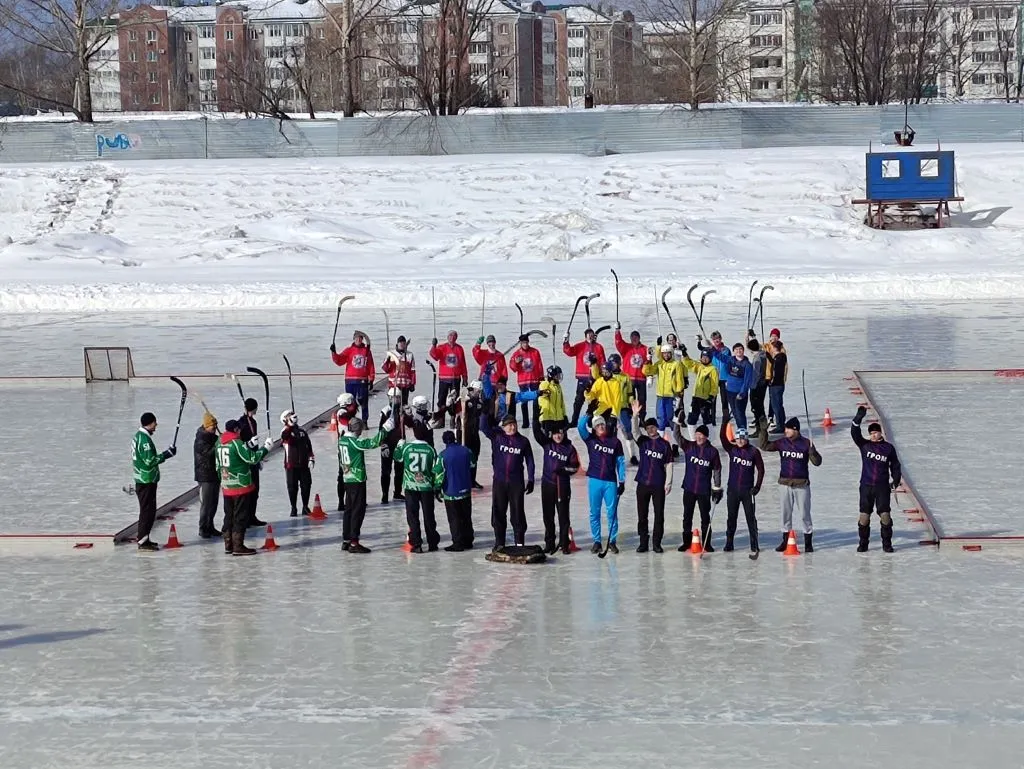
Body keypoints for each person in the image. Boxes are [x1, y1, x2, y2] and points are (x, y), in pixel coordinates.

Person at [759, 417, 822, 552]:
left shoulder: (806, 443)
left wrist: (813, 452)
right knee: (785, 514)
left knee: (805, 514)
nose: (785, 431)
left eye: (788, 429)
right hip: (785, 484)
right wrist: (763, 430)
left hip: (802, 485)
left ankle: (808, 542)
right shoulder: (782, 443)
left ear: (795, 430)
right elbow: (764, 446)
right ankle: (785, 540)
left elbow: (817, 462)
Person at [338, 409, 392, 553]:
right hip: (356, 479)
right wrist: (385, 430)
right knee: (357, 510)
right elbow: (372, 443)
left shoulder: (342, 439)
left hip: (347, 478)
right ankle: (354, 542)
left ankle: (346, 539)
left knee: (349, 510)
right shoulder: (354, 442)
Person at [217, 419, 272, 556]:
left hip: (226, 485)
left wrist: (247, 444)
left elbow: (218, 465)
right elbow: (252, 459)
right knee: (240, 516)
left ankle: (228, 544)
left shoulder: (219, 443)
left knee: (228, 516)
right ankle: (238, 546)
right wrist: (265, 448)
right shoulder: (236, 443)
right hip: (240, 485)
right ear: (236, 430)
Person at [852, 406, 902, 553]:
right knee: (864, 517)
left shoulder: (888, 448)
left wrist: (896, 480)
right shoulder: (865, 445)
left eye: (876, 432)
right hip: (866, 486)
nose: (874, 435)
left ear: (881, 433)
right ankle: (863, 543)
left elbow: (895, 465)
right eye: (871, 433)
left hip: (882, 487)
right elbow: (855, 433)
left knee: (885, 516)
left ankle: (887, 544)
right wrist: (858, 418)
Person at [481, 412, 535, 549]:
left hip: (516, 483)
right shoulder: (497, 437)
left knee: (517, 514)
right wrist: (484, 411)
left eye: (514, 424)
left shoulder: (523, 441)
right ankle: (499, 543)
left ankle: (519, 542)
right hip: (499, 482)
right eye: (509, 425)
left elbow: (530, 461)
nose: (512, 427)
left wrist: (531, 479)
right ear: (504, 427)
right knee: (498, 513)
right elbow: (483, 427)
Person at [577, 405, 626, 553]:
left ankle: (612, 541)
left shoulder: (615, 442)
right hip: (595, 480)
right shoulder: (590, 439)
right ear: (594, 428)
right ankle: (597, 541)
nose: (600, 427)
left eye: (602, 425)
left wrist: (622, 481)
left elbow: (621, 462)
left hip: (610, 481)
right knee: (595, 512)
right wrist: (588, 413)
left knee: (612, 513)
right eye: (597, 425)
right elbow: (580, 427)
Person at [673, 421, 723, 552]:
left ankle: (707, 543)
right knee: (687, 516)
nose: (699, 437)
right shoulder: (689, 446)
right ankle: (686, 542)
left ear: (706, 437)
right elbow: (677, 436)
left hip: (703, 490)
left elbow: (717, 470)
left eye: (701, 435)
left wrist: (717, 487)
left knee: (705, 516)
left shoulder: (712, 452)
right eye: (697, 435)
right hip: (689, 488)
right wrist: (677, 423)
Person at [532, 420, 580, 554]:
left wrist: (563, 470)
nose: (558, 436)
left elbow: (575, 466)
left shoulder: (570, 448)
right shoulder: (547, 444)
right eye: (555, 434)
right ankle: (550, 543)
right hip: (547, 485)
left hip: (562, 486)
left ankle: (565, 543)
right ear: (551, 435)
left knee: (563, 516)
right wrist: (536, 406)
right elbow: (536, 431)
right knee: (548, 516)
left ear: (564, 434)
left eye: (560, 434)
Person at [631, 402, 673, 553]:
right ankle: (643, 542)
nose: (650, 430)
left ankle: (657, 543)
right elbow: (634, 431)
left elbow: (668, 464)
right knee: (642, 515)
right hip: (642, 483)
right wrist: (635, 416)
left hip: (658, 484)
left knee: (659, 515)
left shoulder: (664, 445)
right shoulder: (643, 441)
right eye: (648, 428)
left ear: (657, 428)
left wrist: (668, 483)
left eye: (653, 427)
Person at [132, 411, 177, 551]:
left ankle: (145, 538)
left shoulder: (138, 436)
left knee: (148, 510)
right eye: (154, 422)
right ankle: (142, 541)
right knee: (147, 511)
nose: (156, 425)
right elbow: (149, 461)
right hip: (146, 480)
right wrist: (166, 454)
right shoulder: (144, 440)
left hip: (143, 479)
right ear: (149, 423)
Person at [395, 422, 441, 552]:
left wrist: (399, 446)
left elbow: (397, 458)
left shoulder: (407, 448)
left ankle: (416, 543)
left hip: (411, 487)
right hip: (426, 487)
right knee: (429, 515)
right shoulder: (430, 450)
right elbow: (436, 469)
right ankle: (432, 542)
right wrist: (437, 486)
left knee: (412, 515)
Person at [719, 423, 765, 554]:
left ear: (747, 439)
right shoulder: (732, 449)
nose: (740, 441)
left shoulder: (753, 452)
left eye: (743, 439)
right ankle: (729, 542)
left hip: (747, 491)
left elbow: (761, 470)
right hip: (733, 490)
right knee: (731, 517)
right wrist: (724, 422)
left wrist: (757, 487)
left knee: (750, 518)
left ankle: (754, 543)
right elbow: (722, 438)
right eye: (738, 439)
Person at [435, 379, 485, 489]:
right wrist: (450, 402)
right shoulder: (463, 400)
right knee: (462, 456)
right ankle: (462, 479)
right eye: (476, 391)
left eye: (479, 391)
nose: (478, 393)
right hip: (462, 432)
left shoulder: (480, 402)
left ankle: (472, 480)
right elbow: (453, 411)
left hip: (474, 433)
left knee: (474, 457)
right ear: (471, 389)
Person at [434, 430, 475, 551]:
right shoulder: (466, 450)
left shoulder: (443, 455)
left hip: (451, 492)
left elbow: (439, 474)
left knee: (454, 518)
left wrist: (437, 488)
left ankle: (457, 542)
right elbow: (473, 464)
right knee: (466, 516)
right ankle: (468, 540)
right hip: (465, 490)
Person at [643, 343, 686, 448]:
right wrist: (648, 360)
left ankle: (675, 446)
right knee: (661, 420)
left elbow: (679, 379)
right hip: (660, 396)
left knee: (672, 420)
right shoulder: (659, 364)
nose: (666, 355)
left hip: (671, 396)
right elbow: (647, 371)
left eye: (667, 353)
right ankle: (660, 444)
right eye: (664, 353)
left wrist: (679, 393)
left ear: (671, 353)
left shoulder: (676, 364)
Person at [563, 327, 606, 427]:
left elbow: (603, 361)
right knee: (578, 400)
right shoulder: (580, 346)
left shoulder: (599, 347)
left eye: (592, 335)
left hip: (595, 378)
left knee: (593, 401)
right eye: (588, 335)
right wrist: (566, 341)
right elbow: (569, 351)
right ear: (585, 336)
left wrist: (603, 375)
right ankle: (574, 421)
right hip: (582, 378)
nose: (590, 336)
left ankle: (591, 421)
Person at [330, 331, 375, 421]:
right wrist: (333, 352)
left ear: (362, 339)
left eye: (360, 338)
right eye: (357, 338)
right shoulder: (349, 350)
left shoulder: (367, 351)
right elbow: (339, 361)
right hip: (350, 381)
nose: (358, 339)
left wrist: (371, 379)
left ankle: (365, 421)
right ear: (354, 339)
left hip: (362, 380)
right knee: (349, 402)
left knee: (364, 402)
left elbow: (370, 365)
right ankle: (350, 420)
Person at [236, 398, 267, 528]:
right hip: (245, 461)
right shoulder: (241, 424)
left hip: (254, 460)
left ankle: (252, 516)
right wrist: (248, 444)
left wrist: (258, 458)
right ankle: (245, 518)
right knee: (247, 492)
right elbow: (239, 444)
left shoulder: (253, 422)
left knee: (255, 490)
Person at [280, 409, 314, 517]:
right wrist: (290, 425)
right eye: (290, 416)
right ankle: (293, 508)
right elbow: (285, 437)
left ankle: (305, 506)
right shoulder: (285, 431)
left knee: (306, 485)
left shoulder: (302, 431)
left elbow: (309, 446)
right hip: (291, 465)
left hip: (304, 464)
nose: (293, 416)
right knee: (292, 487)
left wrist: (311, 458)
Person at [712, 342, 754, 431]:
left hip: (740, 393)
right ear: (734, 351)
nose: (738, 351)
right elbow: (720, 356)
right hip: (730, 391)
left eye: (740, 349)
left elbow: (747, 381)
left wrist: (742, 393)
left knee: (740, 413)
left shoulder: (747, 365)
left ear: (743, 351)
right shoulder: (731, 360)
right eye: (736, 350)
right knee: (734, 413)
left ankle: (743, 431)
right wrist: (712, 348)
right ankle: (740, 430)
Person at [680, 348, 719, 438]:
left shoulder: (713, 369)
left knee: (706, 419)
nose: (704, 359)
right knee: (691, 419)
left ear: (710, 358)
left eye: (707, 357)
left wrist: (711, 397)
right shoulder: (699, 366)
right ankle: (693, 440)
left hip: (705, 399)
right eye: (703, 357)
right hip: (696, 397)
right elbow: (689, 364)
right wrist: (684, 354)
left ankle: (711, 438)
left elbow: (714, 385)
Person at [193, 411, 220, 539]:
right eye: (212, 427)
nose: (214, 430)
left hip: (214, 474)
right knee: (206, 503)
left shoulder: (212, 437)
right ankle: (203, 528)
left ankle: (210, 525)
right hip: (205, 476)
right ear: (206, 426)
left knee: (214, 502)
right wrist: (219, 443)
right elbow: (209, 453)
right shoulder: (201, 439)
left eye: (215, 427)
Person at [429, 330, 468, 417]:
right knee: (441, 399)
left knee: (455, 400)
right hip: (444, 378)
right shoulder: (442, 347)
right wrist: (434, 346)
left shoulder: (459, 348)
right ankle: (440, 418)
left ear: (456, 338)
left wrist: (465, 377)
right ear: (447, 337)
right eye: (450, 335)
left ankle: (453, 418)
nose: (452, 337)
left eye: (454, 336)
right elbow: (434, 356)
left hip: (456, 378)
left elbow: (463, 364)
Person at [614, 327, 649, 421]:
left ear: (639, 338)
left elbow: (649, 365)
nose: (634, 339)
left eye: (636, 337)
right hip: (629, 379)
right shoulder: (626, 348)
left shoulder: (645, 349)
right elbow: (619, 342)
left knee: (642, 400)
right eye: (632, 338)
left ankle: (642, 418)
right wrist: (617, 331)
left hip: (641, 379)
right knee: (630, 399)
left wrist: (650, 377)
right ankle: (630, 417)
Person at [508, 334, 544, 428]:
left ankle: (536, 420)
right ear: (520, 343)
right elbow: (512, 368)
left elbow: (540, 365)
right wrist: (516, 362)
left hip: (534, 379)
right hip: (523, 381)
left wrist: (541, 378)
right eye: (523, 343)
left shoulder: (535, 352)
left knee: (536, 400)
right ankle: (525, 422)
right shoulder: (516, 354)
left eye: (526, 342)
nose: (525, 344)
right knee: (524, 401)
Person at [520, 365, 567, 434]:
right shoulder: (544, 384)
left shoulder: (558, 387)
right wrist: (547, 384)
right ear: (552, 376)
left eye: (560, 375)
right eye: (557, 376)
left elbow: (562, 403)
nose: (559, 377)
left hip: (558, 418)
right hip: (547, 418)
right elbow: (543, 393)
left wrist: (564, 415)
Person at [698, 331, 730, 422]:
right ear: (712, 340)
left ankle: (726, 417)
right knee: (713, 399)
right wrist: (699, 341)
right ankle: (712, 418)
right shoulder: (709, 349)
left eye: (718, 339)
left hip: (724, 378)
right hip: (713, 377)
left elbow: (725, 360)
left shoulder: (726, 350)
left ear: (721, 339)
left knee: (724, 399)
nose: (717, 340)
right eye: (714, 339)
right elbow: (701, 348)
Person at [380, 392, 406, 504]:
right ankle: (384, 495)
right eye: (394, 398)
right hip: (388, 444)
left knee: (399, 470)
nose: (396, 400)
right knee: (386, 471)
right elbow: (381, 430)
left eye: (398, 398)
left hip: (399, 444)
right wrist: (383, 444)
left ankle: (397, 493)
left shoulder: (402, 410)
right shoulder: (386, 411)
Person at [335, 392, 359, 511]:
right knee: (343, 474)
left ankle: (354, 499)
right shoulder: (341, 412)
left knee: (353, 473)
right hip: (344, 447)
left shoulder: (347, 412)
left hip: (351, 445)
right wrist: (353, 411)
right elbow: (346, 420)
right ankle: (342, 501)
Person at [381, 335, 416, 407]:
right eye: (400, 343)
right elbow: (385, 369)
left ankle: (403, 417)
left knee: (404, 405)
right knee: (394, 405)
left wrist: (412, 383)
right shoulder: (391, 354)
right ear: (397, 344)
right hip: (394, 384)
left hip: (405, 385)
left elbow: (412, 370)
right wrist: (387, 360)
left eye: (404, 343)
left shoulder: (410, 355)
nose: (402, 345)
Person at [765, 331, 788, 432]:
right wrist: (768, 355)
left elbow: (775, 371)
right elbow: (773, 361)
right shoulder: (780, 357)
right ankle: (781, 423)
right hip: (779, 384)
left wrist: (771, 382)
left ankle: (780, 426)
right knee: (778, 404)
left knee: (776, 405)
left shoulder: (779, 358)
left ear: (775, 348)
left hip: (776, 385)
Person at [746, 336, 768, 435]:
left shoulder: (757, 359)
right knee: (760, 406)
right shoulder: (763, 354)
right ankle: (762, 427)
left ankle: (760, 429)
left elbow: (755, 374)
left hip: (757, 386)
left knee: (756, 407)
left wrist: (751, 386)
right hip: (763, 384)